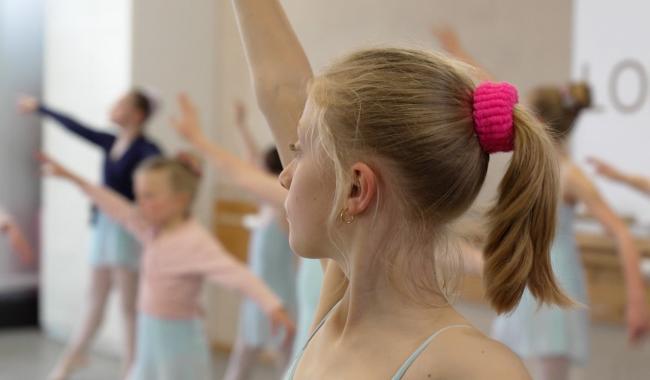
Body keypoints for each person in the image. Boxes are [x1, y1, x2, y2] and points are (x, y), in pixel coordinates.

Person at [229, 1, 573, 378]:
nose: (285, 176)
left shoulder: (477, 369)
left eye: (300, 150)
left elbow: (284, 91)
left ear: (356, 188)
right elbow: (280, 88)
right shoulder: (335, 305)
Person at [39, 151, 295, 380]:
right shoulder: (149, 228)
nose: (140, 203)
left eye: (149, 196)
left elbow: (236, 274)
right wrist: (72, 178)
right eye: (138, 196)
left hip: (179, 341)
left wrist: (271, 305)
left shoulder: (194, 241)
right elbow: (114, 205)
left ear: (180, 200)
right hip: (150, 333)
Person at [18, 90, 162, 379]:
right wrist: (40, 108)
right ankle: (70, 361)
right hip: (103, 226)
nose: (113, 107)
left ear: (137, 115)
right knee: (94, 298)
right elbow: (76, 127)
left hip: (127, 229)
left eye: (121, 104)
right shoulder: (111, 141)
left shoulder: (147, 149)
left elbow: (161, 173)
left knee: (127, 305)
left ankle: (131, 368)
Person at [171, 96, 297, 379]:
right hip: (257, 292)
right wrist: (241, 126)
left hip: (280, 296)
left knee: (284, 360)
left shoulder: (283, 208)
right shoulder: (269, 206)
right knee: (244, 356)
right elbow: (250, 166)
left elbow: (247, 173)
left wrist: (202, 139)